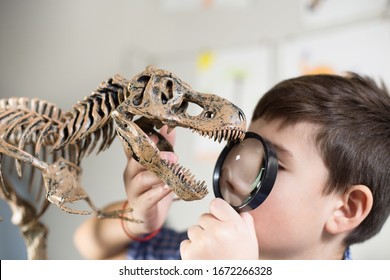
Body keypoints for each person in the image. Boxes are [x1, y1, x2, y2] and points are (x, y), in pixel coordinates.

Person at [74, 72, 390, 260]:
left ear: (346, 209)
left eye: (272, 164)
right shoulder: (203, 248)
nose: (234, 176)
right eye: (245, 149)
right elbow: (92, 247)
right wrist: (137, 221)